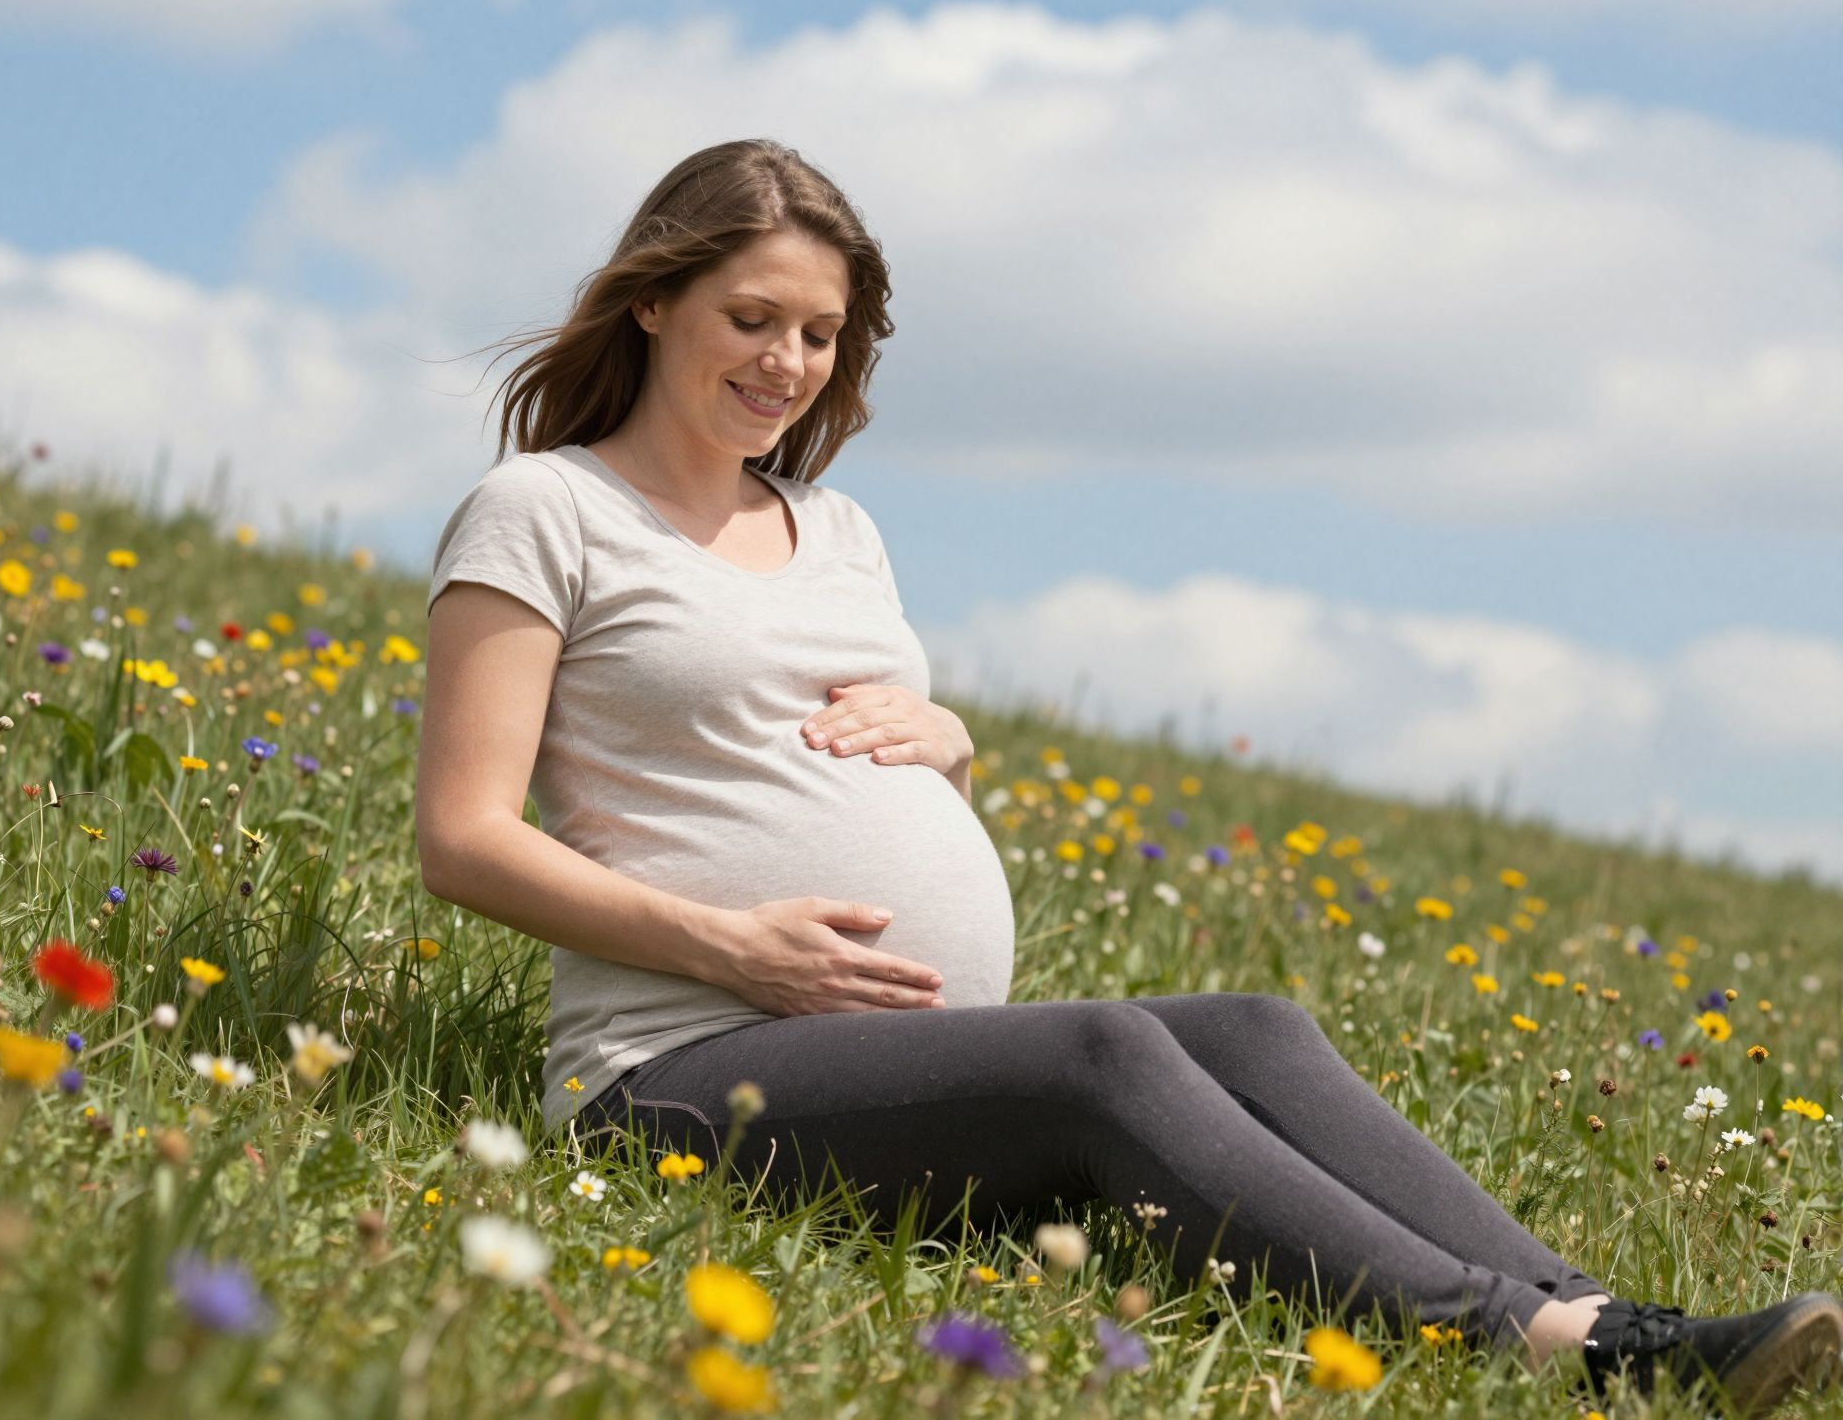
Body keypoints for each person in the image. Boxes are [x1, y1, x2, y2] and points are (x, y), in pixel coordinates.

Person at [414, 138, 1842, 1411]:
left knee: (1257, 1024)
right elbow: (464, 839)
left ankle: (1602, 1316)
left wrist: (951, 742)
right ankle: (1519, 1346)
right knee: (1103, 1053)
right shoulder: (548, 511)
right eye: (751, 318)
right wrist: (733, 943)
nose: (786, 361)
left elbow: (831, 750)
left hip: (881, 1056)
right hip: (675, 1074)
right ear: (654, 300)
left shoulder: (835, 528)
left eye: (819, 334)